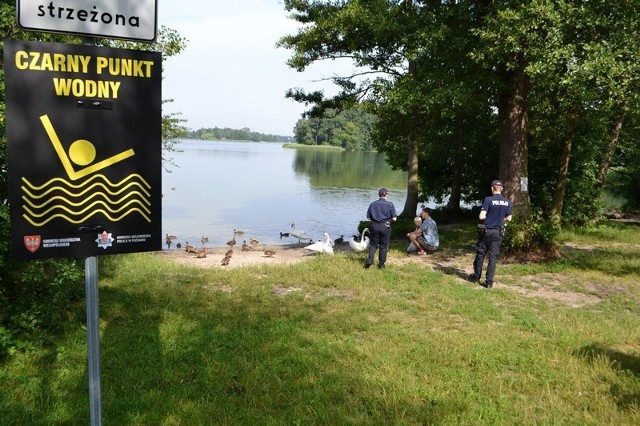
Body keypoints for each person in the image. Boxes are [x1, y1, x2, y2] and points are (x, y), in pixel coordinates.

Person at [468, 179, 513, 288]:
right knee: (492, 258)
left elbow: (481, 216)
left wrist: (489, 217)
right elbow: (509, 218)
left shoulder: (488, 200)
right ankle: (489, 282)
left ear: (492, 188)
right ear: (501, 189)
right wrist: (501, 219)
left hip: (486, 231)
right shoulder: (507, 202)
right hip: (498, 232)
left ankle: (476, 276)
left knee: (480, 253)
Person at [365, 187, 398, 269]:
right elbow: (394, 218)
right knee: (383, 246)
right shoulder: (390, 204)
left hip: (374, 226)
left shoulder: (373, 204)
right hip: (385, 226)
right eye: (388, 194)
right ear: (386, 195)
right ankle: (381, 265)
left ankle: (370, 260)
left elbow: (368, 218)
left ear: (379, 195)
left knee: (373, 244)